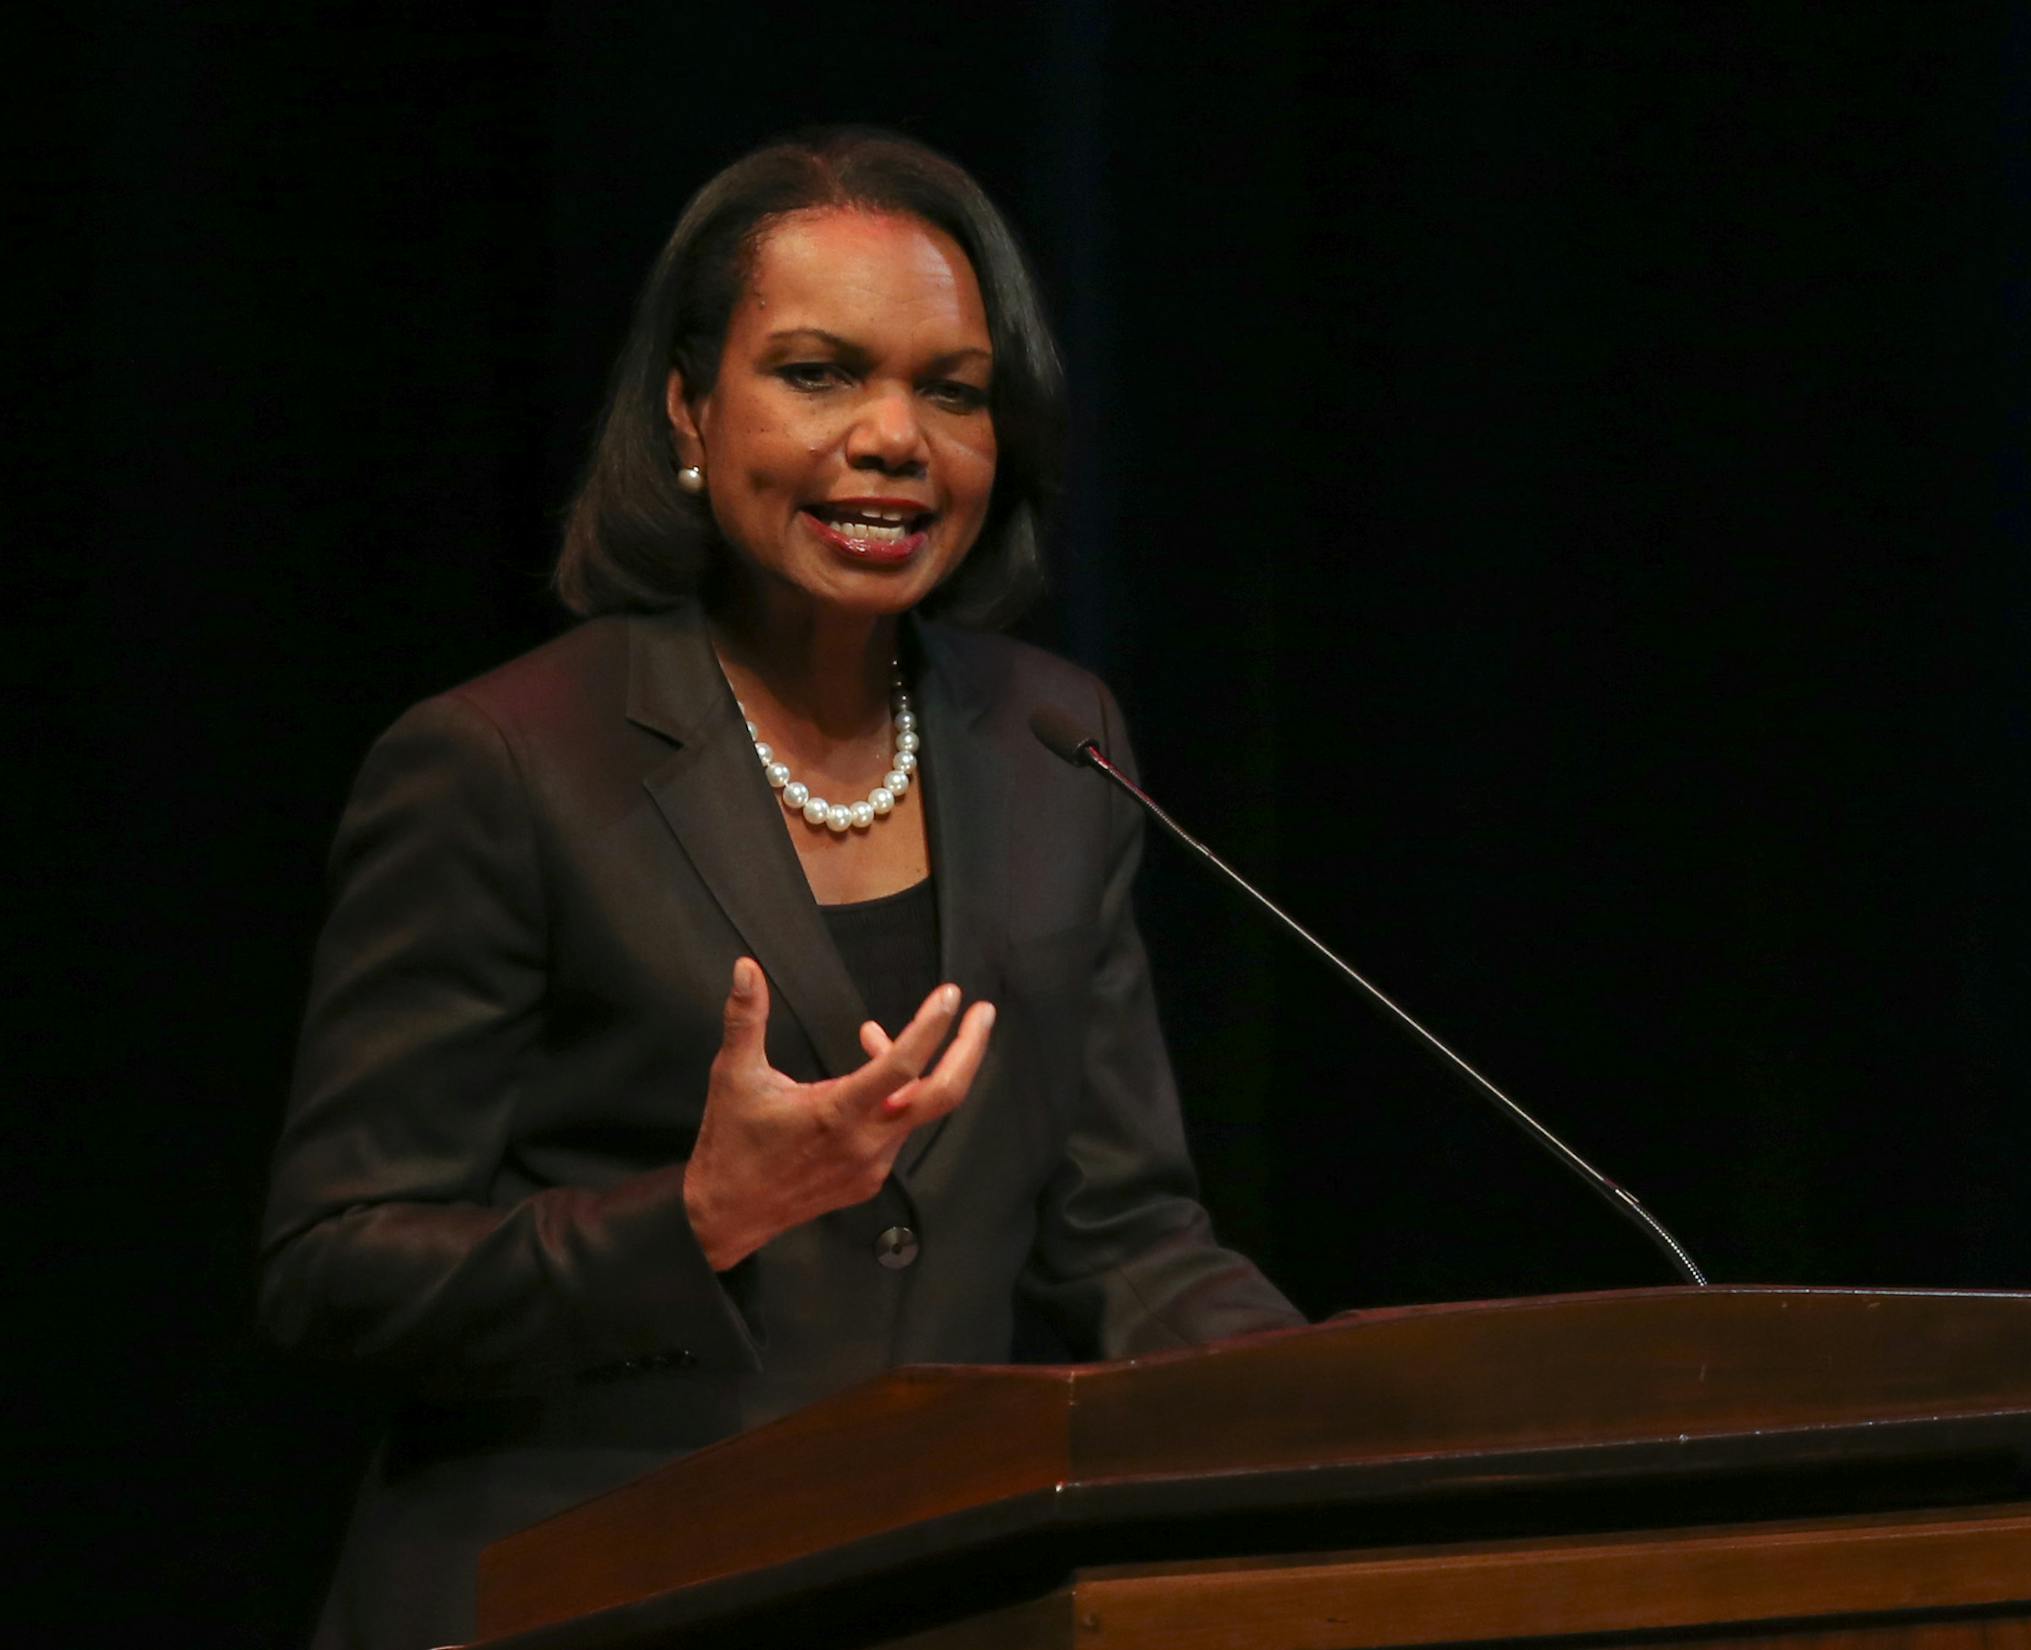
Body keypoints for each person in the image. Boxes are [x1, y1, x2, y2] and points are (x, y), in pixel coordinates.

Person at [259, 128, 1303, 1650]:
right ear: (688, 410)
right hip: (574, 1592)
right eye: (820, 373)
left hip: (926, 1595)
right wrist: (691, 1215)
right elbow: (332, 1269)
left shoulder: (1051, 744)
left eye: (953, 391)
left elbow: (1123, 1234)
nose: (897, 438)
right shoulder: (500, 762)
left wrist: (1331, 1410)